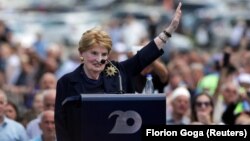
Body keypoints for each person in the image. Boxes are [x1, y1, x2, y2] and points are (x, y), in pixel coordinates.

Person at [55, 2, 182, 141]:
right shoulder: (66, 82)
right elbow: (61, 125)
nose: (99, 59)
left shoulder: (118, 72)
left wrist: (169, 31)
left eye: (104, 55)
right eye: (94, 53)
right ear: (82, 53)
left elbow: (143, 56)